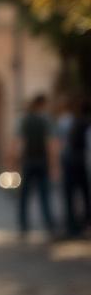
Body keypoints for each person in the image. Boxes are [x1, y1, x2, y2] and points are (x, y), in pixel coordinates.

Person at [10, 93, 57, 238]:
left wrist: (14, 163)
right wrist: (53, 165)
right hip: (41, 161)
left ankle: (23, 227)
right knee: (44, 195)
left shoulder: (23, 120)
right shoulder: (45, 120)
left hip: (27, 162)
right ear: (42, 104)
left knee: (24, 196)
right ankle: (50, 227)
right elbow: (50, 144)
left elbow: (19, 143)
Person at [55, 95, 89, 237]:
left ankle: (73, 226)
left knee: (71, 194)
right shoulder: (82, 122)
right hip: (80, 162)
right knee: (83, 194)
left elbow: (61, 143)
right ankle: (80, 224)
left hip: (71, 162)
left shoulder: (69, 121)